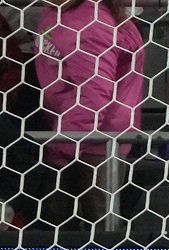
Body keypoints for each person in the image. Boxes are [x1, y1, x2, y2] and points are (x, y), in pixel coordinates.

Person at [33, 0, 145, 230]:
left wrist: (60, 150)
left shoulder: (92, 24)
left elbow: (93, 98)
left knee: (100, 232)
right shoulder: (58, 10)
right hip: (66, 134)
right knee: (62, 229)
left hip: (94, 143)